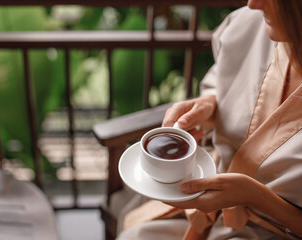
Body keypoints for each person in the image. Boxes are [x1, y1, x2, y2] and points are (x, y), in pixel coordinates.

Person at [117, 0, 302, 239]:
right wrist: (211, 105)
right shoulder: (254, 25)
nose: (253, 3)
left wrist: (256, 197)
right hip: (206, 211)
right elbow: (229, 85)